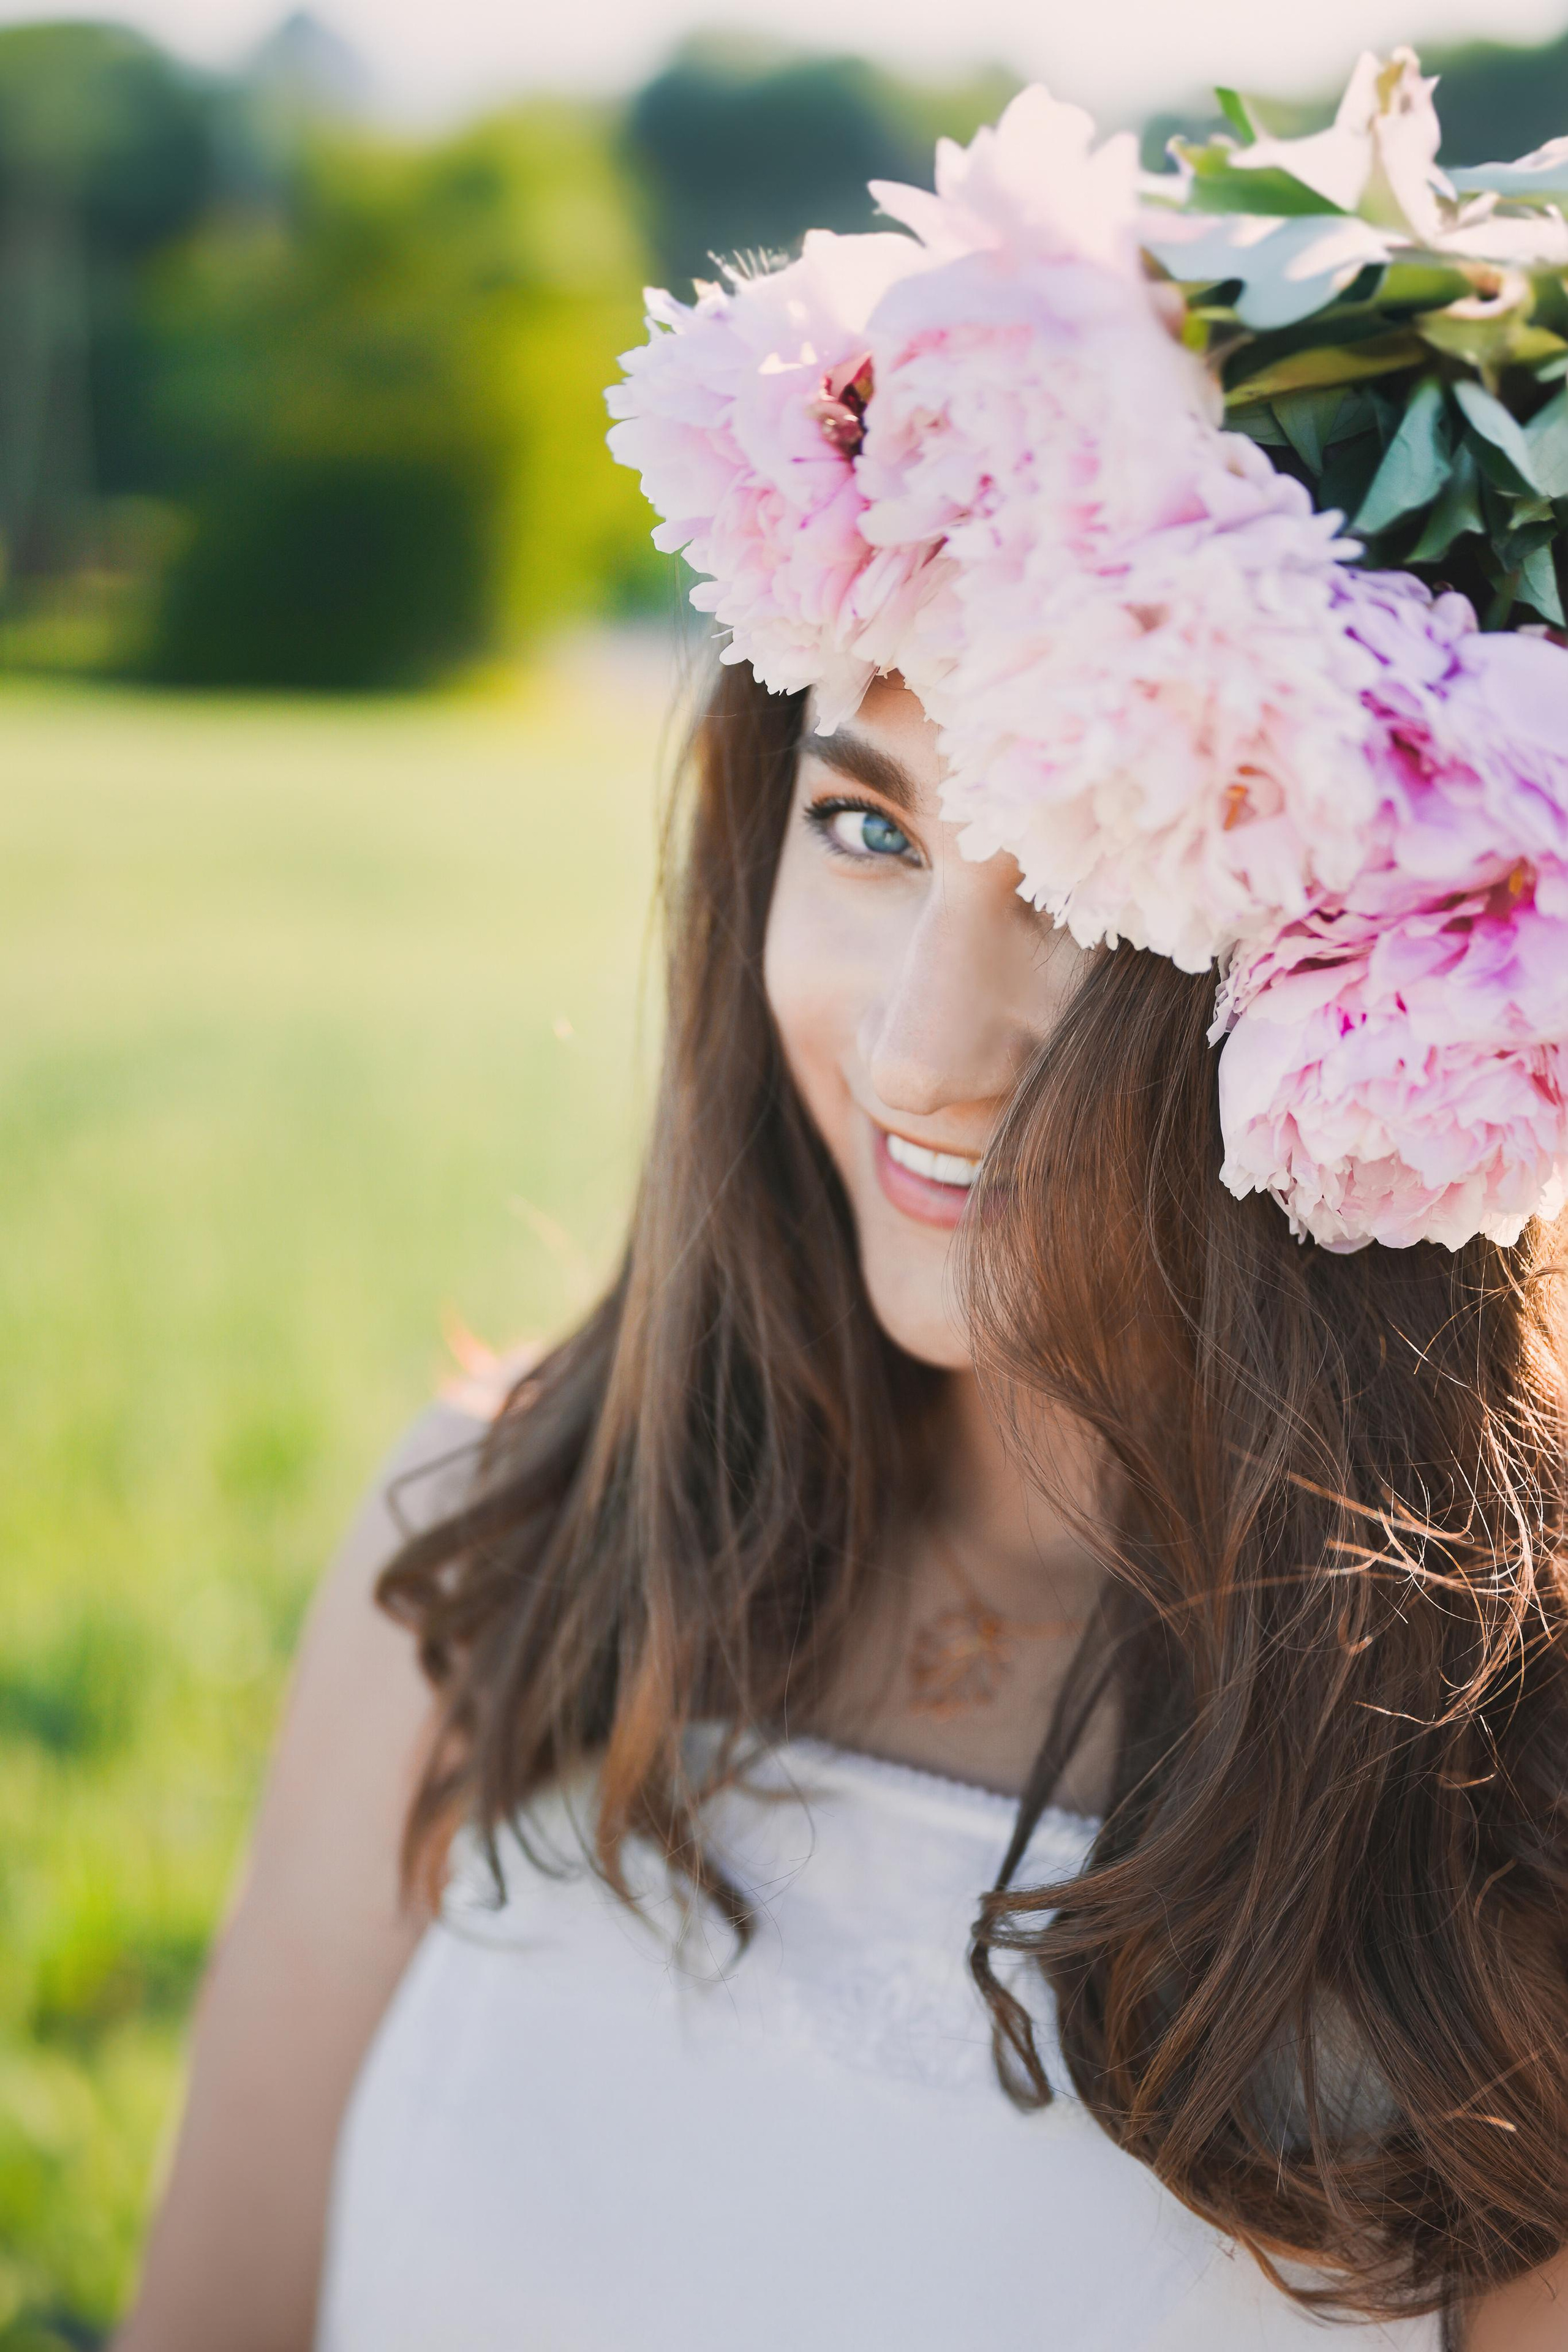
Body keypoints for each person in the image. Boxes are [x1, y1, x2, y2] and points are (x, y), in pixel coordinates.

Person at [119, 61, 1568, 2352]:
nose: (912, 1052)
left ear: (1364, 969)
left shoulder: (1502, 1817)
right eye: (868, 829)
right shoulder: (486, 1565)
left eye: (1087, 898)